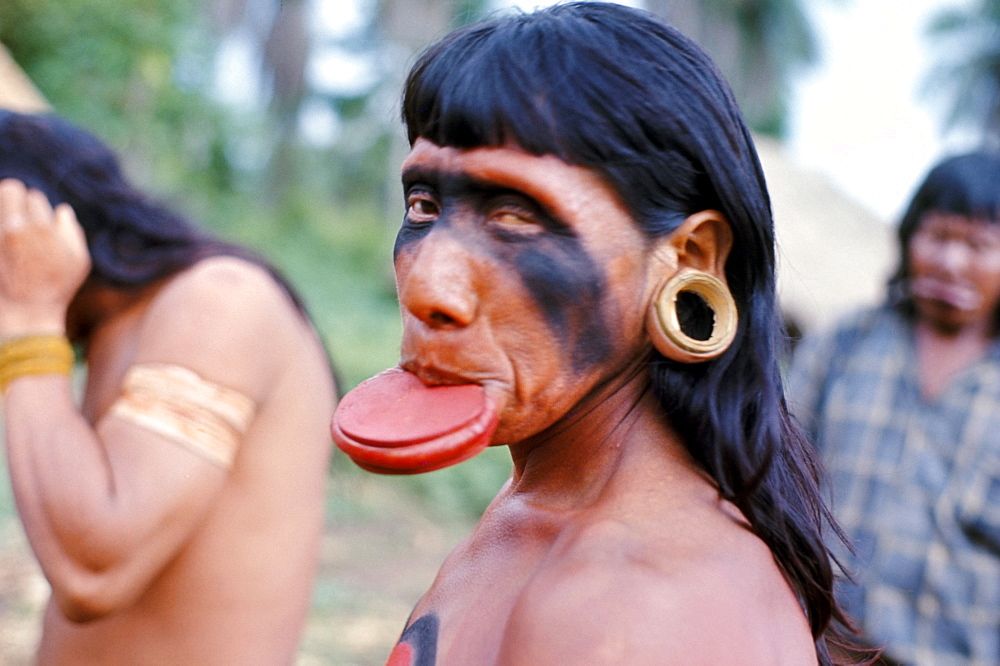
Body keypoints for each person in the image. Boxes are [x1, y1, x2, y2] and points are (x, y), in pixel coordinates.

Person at [331, 3, 861, 664]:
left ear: (690, 258)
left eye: (513, 214)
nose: (427, 287)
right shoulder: (540, 503)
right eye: (424, 205)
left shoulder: (639, 603)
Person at [0, 110, 337, 664]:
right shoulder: (113, 328)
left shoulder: (218, 298)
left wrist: (30, 316)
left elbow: (93, 571)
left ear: (34, 230)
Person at [788, 151, 1000, 665]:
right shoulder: (845, 343)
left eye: (977, 245)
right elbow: (778, 472)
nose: (951, 261)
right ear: (908, 240)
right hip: (819, 648)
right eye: (938, 236)